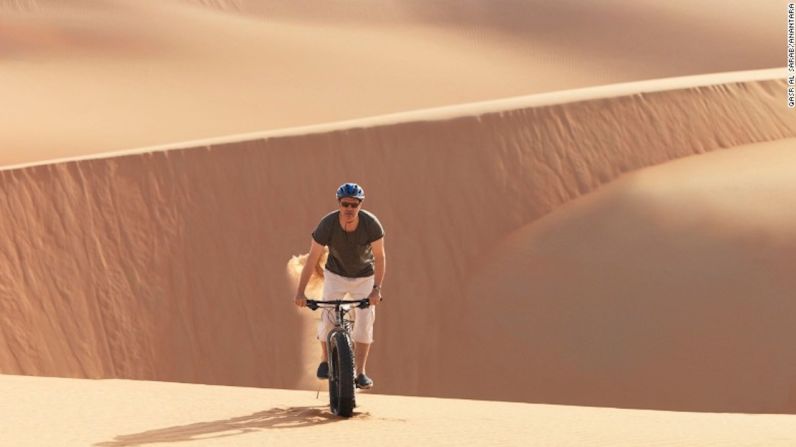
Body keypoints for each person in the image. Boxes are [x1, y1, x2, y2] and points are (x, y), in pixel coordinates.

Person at [294, 182, 386, 389]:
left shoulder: (371, 225)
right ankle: (325, 360)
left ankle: (360, 372)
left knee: (364, 322)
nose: (349, 209)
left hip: (364, 277)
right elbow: (312, 259)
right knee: (327, 317)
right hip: (335, 274)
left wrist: (376, 289)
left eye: (354, 205)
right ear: (339, 203)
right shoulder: (327, 224)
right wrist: (300, 292)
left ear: (360, 205)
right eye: (345, 204)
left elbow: (380, 257)